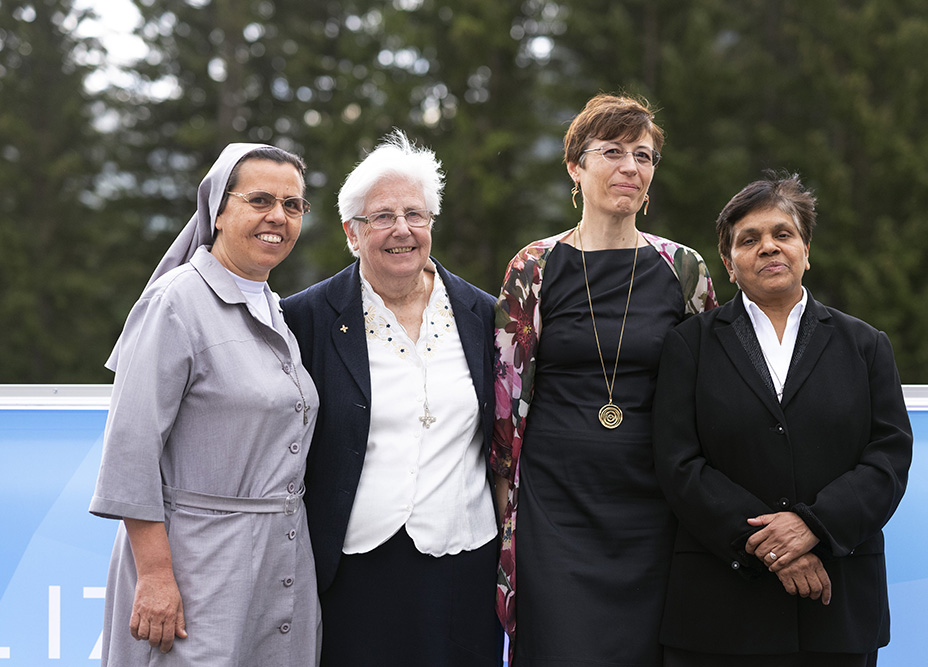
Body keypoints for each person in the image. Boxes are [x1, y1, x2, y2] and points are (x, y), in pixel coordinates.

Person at [492, 93, 717, 666]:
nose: (630, 168)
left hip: (656, 508)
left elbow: (713, 391)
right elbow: (505, 397)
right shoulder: (534, 267)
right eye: (613, 152)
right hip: (556, 506)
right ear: (575, 166)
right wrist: (503, 501)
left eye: (643, 156)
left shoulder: (683, 268)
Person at [652, 173, 913, 666]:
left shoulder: (866, 345)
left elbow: (889, 457)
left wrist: (813, 526)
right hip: (720, 608)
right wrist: (773, 546)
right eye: (749, 240)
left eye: (782, 234)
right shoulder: (689, 344)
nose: (768, 247)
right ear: (729, 265)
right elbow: (677, 462)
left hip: (835, 604)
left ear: (806, 250)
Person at [89, 144, 321, 665]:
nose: (277, 218)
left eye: (293, 205)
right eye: (260, 199)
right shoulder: (176, 301)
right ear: (218, 210)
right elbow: (130, 450)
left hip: (279, 561)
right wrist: (153, 576)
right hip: (196, 565)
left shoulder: (274, 308)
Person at [281, 130, 501, 667]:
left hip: (463, 562)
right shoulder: (304, 319)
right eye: (382, 216)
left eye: (416, 214)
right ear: (351, 233)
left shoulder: (486, 317)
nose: (402, 229)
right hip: (353, 567)